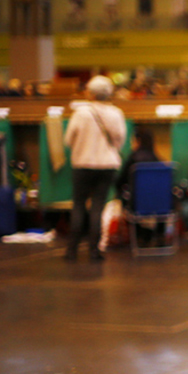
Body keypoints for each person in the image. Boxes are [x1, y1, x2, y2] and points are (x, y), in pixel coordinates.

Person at [63, 75, 126, 261]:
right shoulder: (116, 113)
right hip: (107, 165)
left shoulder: (80, 113)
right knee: (98, 205)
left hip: (82, 164)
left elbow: (68, 140)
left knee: (79, 205)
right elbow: (120, 141)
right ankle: (94, 250)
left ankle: (71, 250)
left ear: (89, 93)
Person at [115, 128, 166, 247]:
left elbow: (120, 182)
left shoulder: (133, 159)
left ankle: (139, 236)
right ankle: (159, 235)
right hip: (160, 205)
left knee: (128, 199)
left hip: (137, 204)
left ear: (137, 141)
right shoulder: (159, 162)